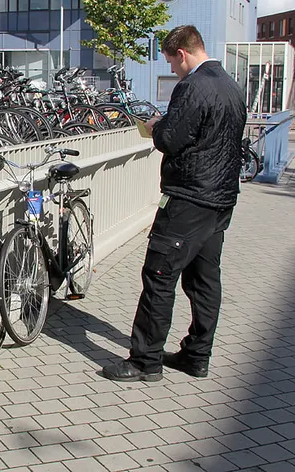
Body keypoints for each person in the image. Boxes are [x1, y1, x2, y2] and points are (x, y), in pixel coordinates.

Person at [102, 25, 246, 382]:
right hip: (220, 200)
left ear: (182, 53)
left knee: (159, 276)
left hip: (188, 199)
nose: (172, 70)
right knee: (204, 280)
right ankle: (198, 355)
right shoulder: (231, 85)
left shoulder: (193, 87)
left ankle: (144, 361)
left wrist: (156, 125)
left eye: (171, 62)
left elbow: (170, 139)